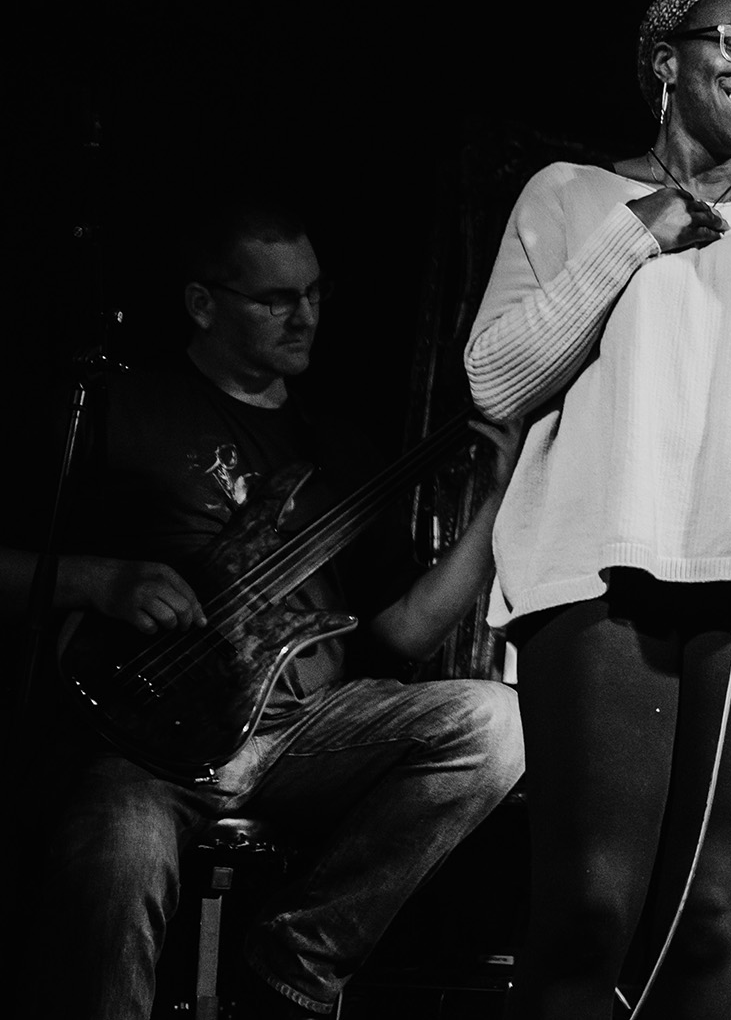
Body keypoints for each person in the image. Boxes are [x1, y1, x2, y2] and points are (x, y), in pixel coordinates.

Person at [465, 0, 731, 1020]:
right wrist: (638, 232)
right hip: (600, 567)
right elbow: (498, 378)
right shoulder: (571, 194)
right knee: (588, 909)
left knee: (705, 919)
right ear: (665, 61)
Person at [0, 199, 526, 1019]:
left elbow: (404, 633)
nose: (305, 315)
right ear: (203, 303)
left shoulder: (339, 448)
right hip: (148, 745)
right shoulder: (118, 409)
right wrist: (100, 580)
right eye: (276, 299)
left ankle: (296, 959)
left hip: (304, 734)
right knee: (115, 858)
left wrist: (497, 505)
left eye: (315, 292)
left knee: (496, 723)